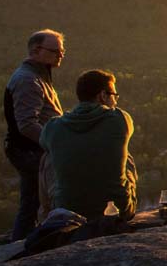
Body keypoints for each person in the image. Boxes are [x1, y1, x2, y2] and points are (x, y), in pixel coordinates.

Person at [40, 69, 137, 223]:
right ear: (103, 96)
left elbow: (43, 143)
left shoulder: (53, 127)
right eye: (114, 95)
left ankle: (48, 218)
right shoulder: (120, 120)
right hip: (117, 211)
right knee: (125, 153)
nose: (116, 100)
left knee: (47, 157)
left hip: (67, 212)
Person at [4, 29, 65, 239]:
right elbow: (27, 124)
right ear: (36, 50)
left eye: (62, 50)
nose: (61, 55)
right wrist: (53, 143)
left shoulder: (38, 75)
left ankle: (24, 243)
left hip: (33, 149)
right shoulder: (28, 80)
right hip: (31, 151)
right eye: (55, 51)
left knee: (34, 201)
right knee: (33, 202)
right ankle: (22, 248)